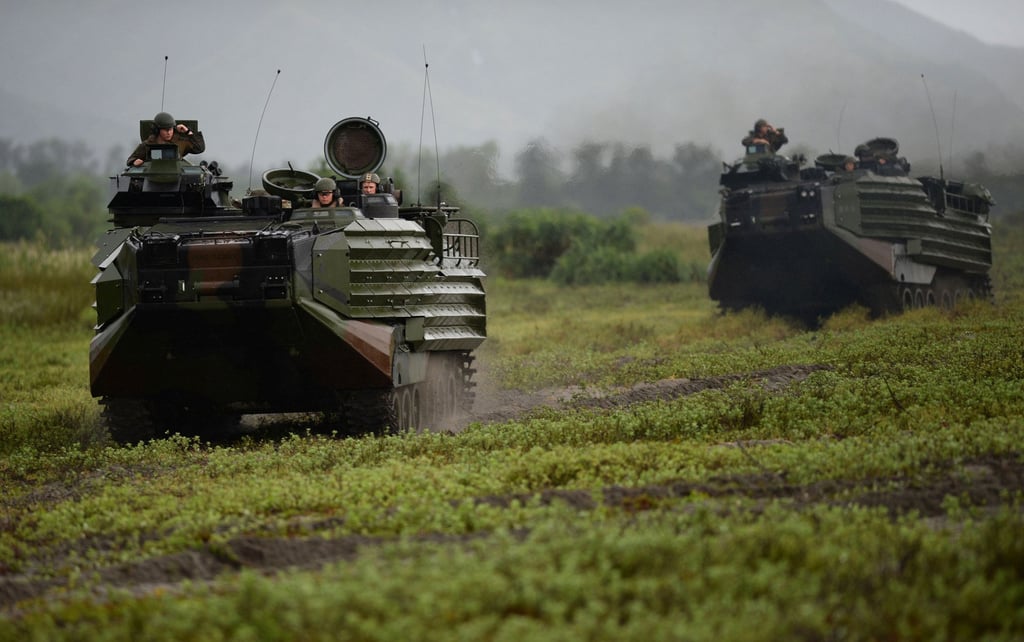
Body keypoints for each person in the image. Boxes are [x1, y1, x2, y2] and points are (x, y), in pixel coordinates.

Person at [126, 111, 205, 167]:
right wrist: (134, 161)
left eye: (171, 129)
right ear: (157, 130)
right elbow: (131, 159)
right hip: (153, 177)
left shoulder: (180, 142)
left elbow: (199, 148)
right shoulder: (148, 144)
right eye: (165, 130)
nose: (169, 132)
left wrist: (187, 131)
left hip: (177, 176)